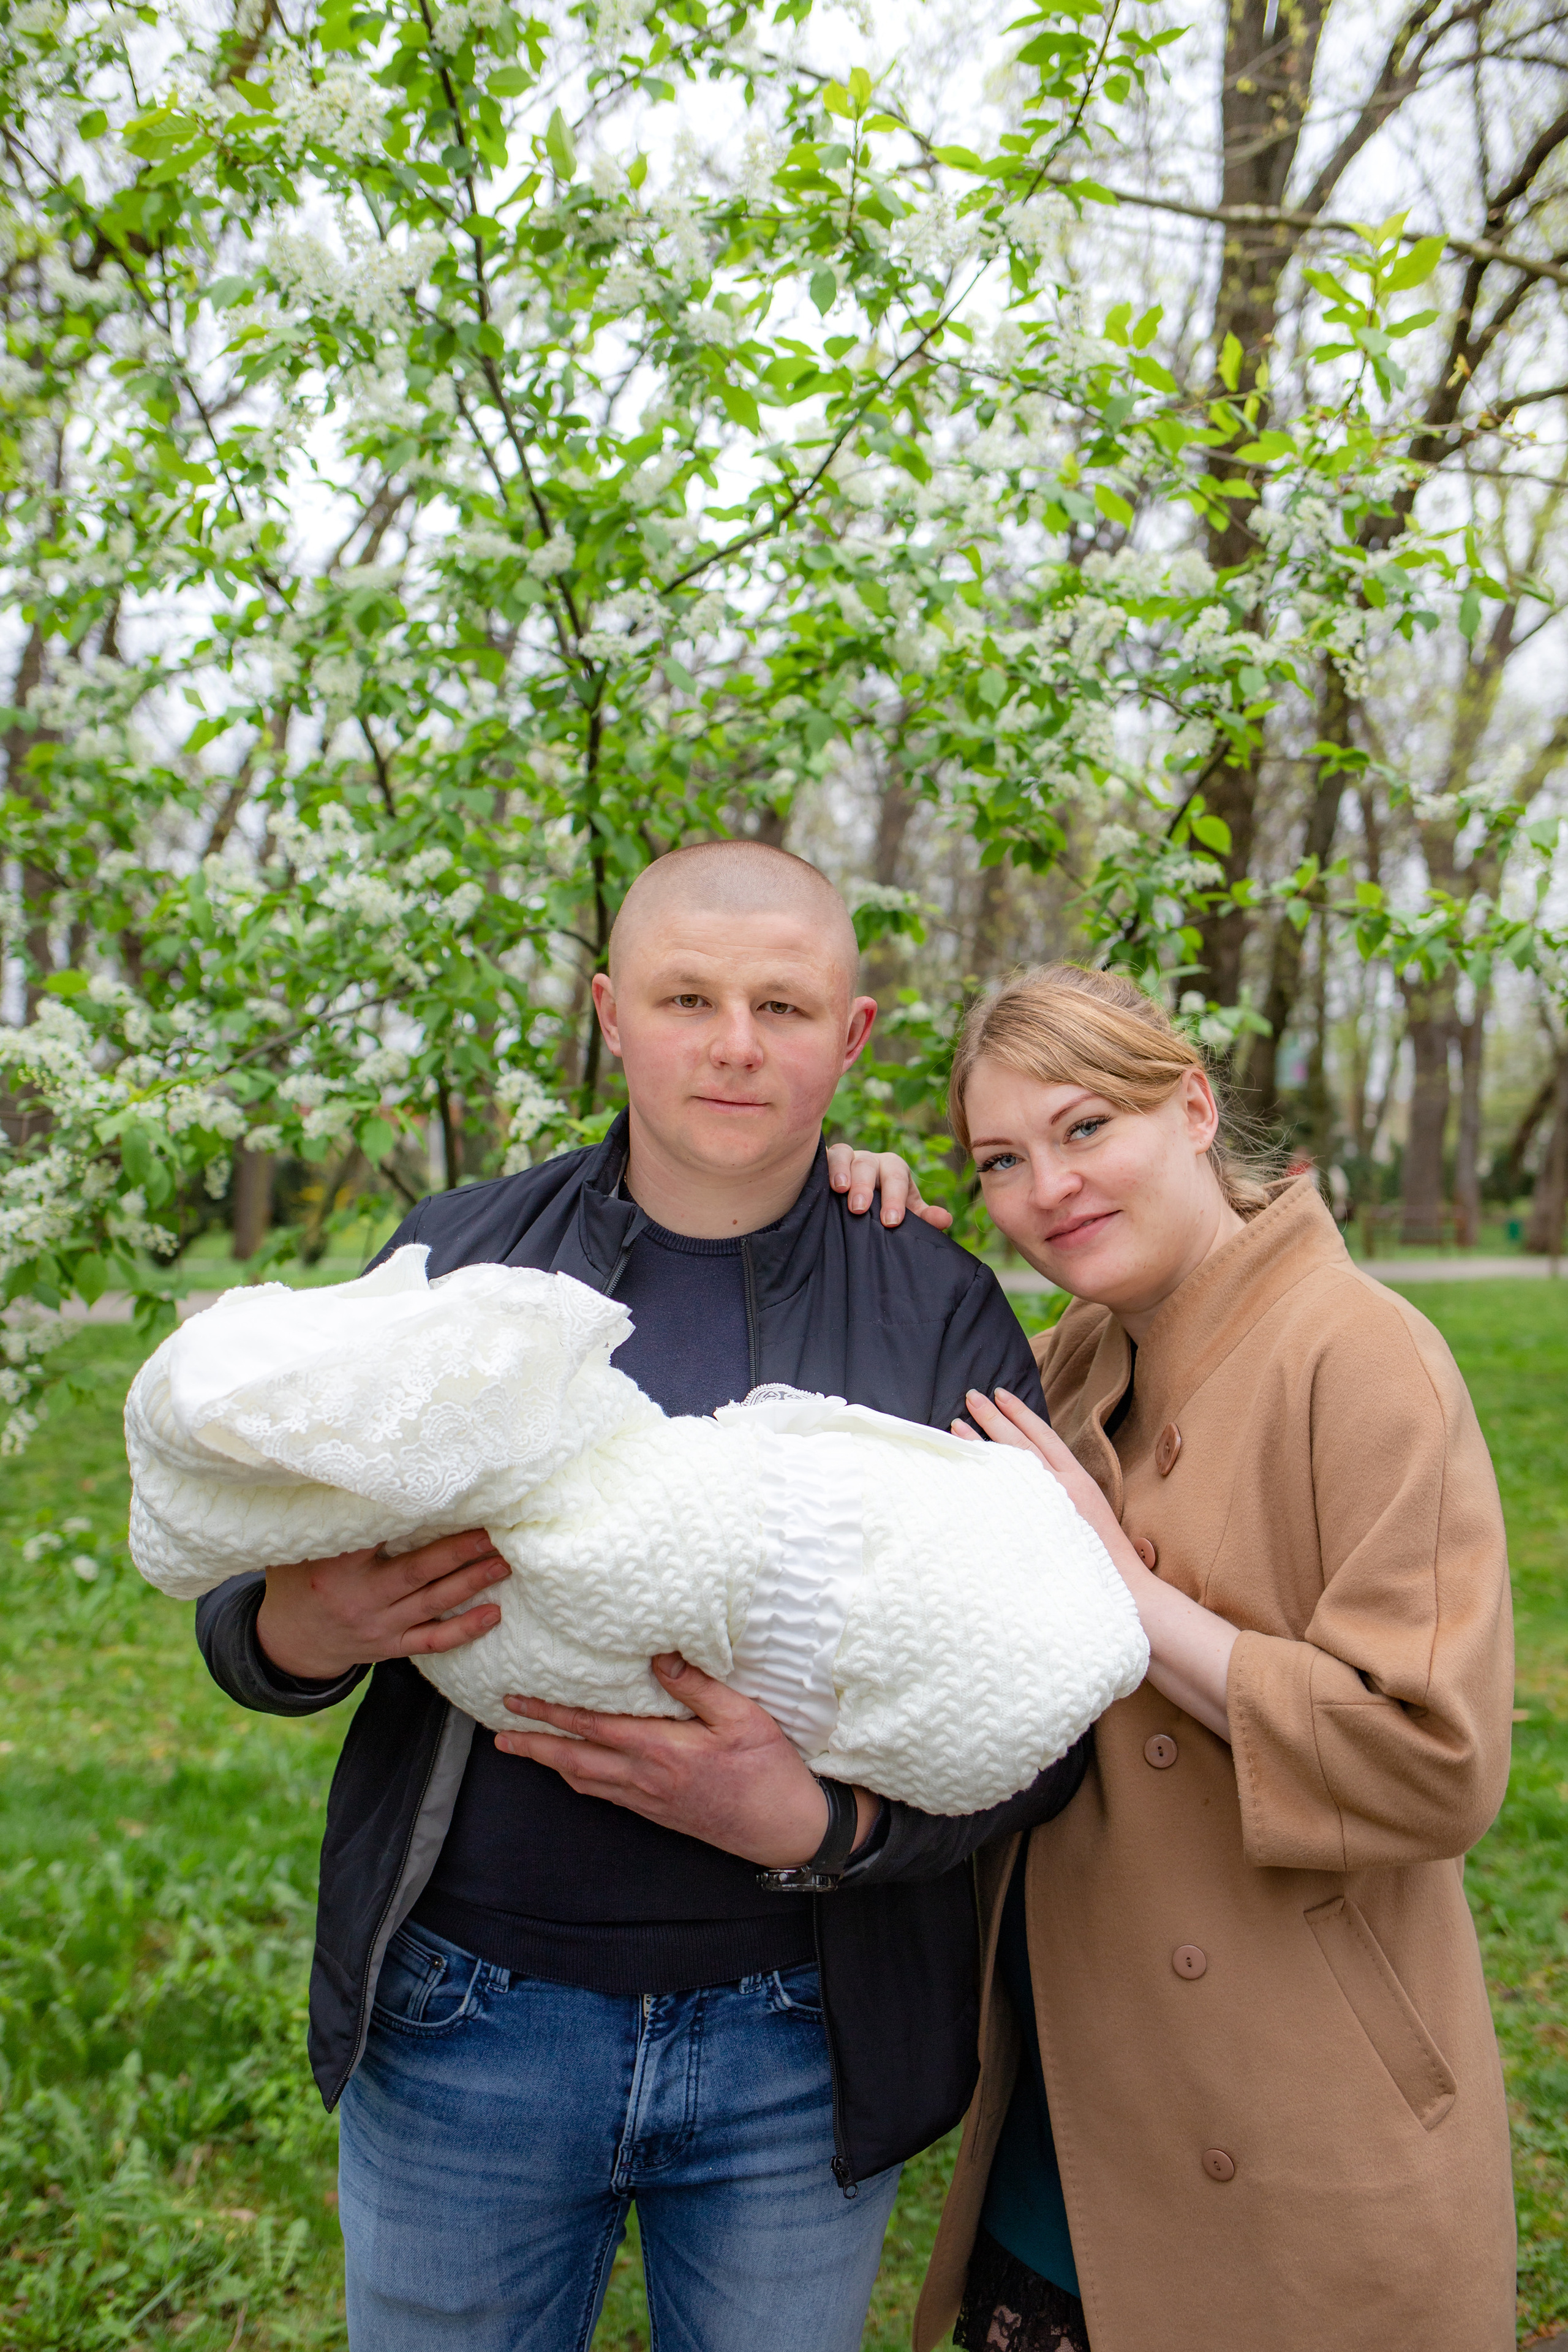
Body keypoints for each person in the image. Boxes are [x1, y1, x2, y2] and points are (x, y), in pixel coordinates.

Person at [193, 843, 1088, 2352]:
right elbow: (250, 1577)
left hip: (796, 2046)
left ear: (851, 1037)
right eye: (687, 998)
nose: (734, 1045)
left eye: (782, 1008)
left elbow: (1049, 1692)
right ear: (610, 1014)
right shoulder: (458, 1258)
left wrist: (820, 1826)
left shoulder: (933, 1308)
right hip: (466, 2024)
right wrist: (300, 1632)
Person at [889, 963, 1515, 2352]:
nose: (1045, 1187)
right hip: (1071, 2139)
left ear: (1187, 1106)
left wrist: (1122, 1586)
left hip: (1293, 2136)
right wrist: (854, 1217)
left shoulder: (1360, 1356)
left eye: (1082, 1129)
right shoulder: (1067, 1359)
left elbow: (1433, 1761)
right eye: (1000, 1159)